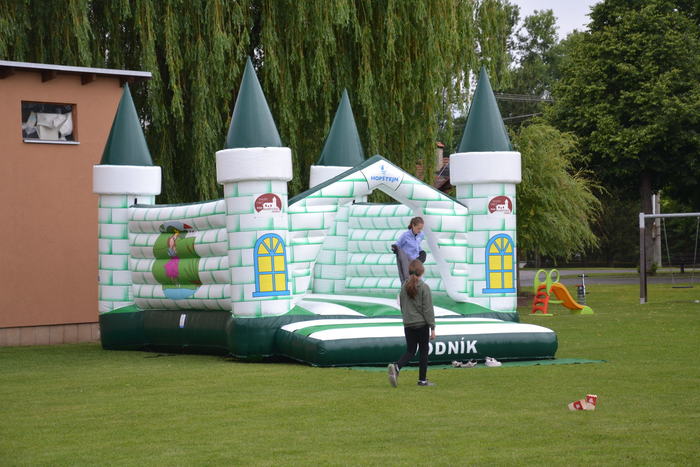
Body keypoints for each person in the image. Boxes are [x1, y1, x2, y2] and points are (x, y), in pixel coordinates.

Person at [387, 259, 436, 387]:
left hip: (408, 324)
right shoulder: (424, 287)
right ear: (422, 272)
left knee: (411, 351)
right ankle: (422, 380)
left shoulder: (404, 287)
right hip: (421, 324)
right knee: (423, 352)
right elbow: (427, 309)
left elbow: (402, 305)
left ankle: (397, 367)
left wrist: (407, 319)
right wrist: (432, 327)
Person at [392, 217, 426, 284]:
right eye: (418, 228)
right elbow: (397, 245)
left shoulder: (421, 235)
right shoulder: (405, 235)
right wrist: (395, 249)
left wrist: (422, 252)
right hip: (407, 262)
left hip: (416, 261)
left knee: (419, 281)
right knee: (408, 281)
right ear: (413, 225)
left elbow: (416, 244)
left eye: (421, 229)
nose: (420, 231)